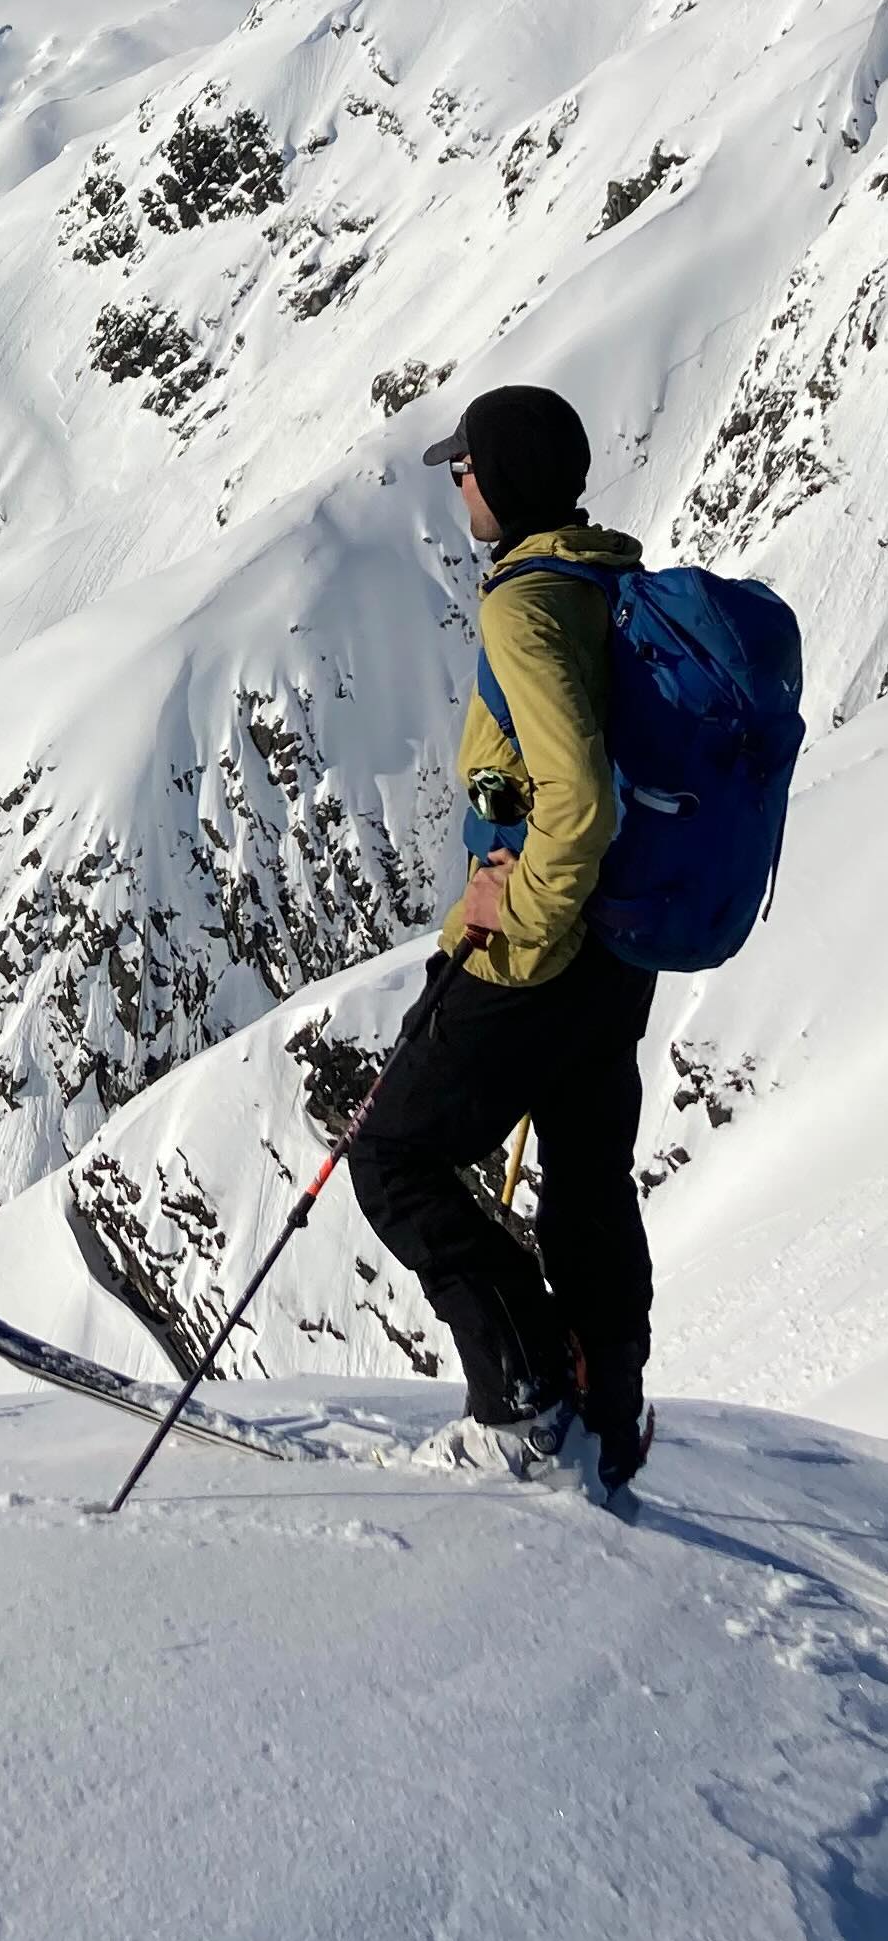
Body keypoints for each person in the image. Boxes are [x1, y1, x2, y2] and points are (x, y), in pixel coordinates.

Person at [347, 382, 656, 1490]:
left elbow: (580, 799)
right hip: (616, 947)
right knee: (588, 1178)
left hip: (542, 952)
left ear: (505, 479)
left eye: (466, 467)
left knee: (392, 1155)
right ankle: (608, 1415)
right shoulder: (600, 579)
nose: (458, 483)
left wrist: (510, 918)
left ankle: (523, 1399)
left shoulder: (525, 608)